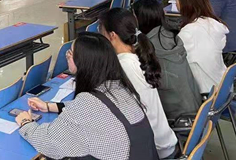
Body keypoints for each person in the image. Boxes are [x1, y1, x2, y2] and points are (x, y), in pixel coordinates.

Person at [17, 32, 160, 160]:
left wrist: (26, 123)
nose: (67, 56)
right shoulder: (118, 87)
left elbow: (49, 143)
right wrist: (50, 106)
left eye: (71, 53)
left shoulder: (87, 103)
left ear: (84, 62)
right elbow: (98, 110)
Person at [99, 9, 178, 159]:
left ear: (112, 35)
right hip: (164, 141)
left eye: (102, 34)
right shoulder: (137, 55)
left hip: (154, 150)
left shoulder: (124, 66)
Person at [132, 0, 202, 121]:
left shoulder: (150, 48)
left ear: (140, 19)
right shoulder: (171, 35)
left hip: (177, 117)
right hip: (195, 108)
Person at [175, 0, 228, 94]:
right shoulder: (213, 23)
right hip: (221, 85)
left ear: (185, 3)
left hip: (204, 91)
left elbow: (177, 62)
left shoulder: (188, 32)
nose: (176, 2)